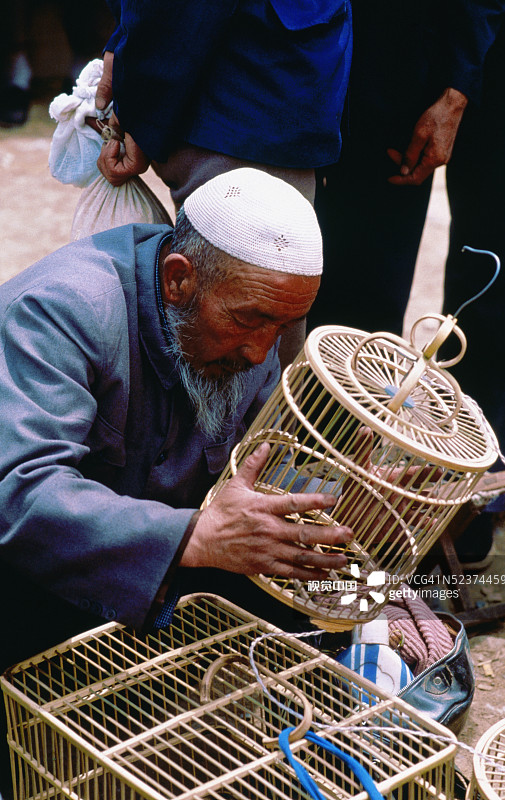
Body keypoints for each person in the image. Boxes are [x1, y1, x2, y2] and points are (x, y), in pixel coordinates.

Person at [0, 168, 351, 798]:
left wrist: (343, 492)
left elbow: (254, 459)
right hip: (39, 585)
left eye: (284, 328)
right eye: (253, 321)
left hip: (154, 570)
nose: (260, 352)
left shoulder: (252, 323)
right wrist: (192, 534)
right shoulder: (63, 309)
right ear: (179, 279)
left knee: (315, 592)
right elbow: (19, 492)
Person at [311, 0, 505, 566]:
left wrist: (459, 87)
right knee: (355, 280)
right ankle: (332, 493)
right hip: (393, 36)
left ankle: (476, 506)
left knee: (495, 278)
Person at [91, 0, 352, 367]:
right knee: (222, 327)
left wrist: (139, 104)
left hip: (244, 85)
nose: (259, 355)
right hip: (250, 85)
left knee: (251, 333)